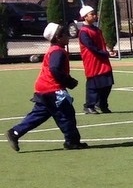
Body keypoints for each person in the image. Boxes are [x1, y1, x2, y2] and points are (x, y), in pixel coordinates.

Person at [6, 23, 88, 152]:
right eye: (65, 34)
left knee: (39, 115)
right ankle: (72, 141)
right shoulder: (58, 51)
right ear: (58, 37)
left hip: (43, 88)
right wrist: (68, 81)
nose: (68, 36)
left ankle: (15, 132)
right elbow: (54, 69)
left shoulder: (54, 50)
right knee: (66, 114)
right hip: (52, 89)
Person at [78, 5, 115, 114]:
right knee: (93, 85)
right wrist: (105, 53)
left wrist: (108, 50)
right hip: (92, 62)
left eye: (95, 14)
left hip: (103, 60)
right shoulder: (84, 32)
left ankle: (102, 104)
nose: (95, 16)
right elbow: (91, 47)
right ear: (85, 17)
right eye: (92, 14)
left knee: (107, 83)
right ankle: (89, 105)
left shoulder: (96, 29)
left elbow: (101, 44)